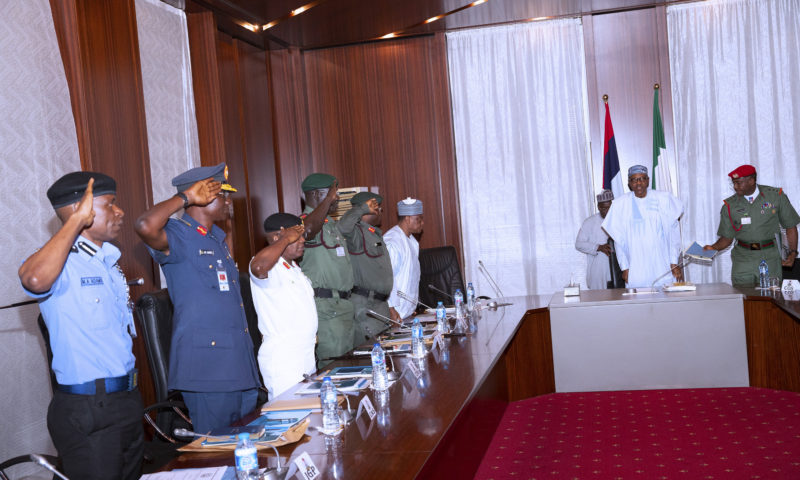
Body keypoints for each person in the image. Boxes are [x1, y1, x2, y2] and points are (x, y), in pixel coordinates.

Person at [19, 172, 143, 480]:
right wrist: (75, 223)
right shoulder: (61, 264)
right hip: (89, 409)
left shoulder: (107, 262)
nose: (120, 212)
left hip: (126, 401)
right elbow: (33, 279)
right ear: (81, 210)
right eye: (110, 204)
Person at [134, 163, 260, 433]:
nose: (229, 201)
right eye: (222, 194)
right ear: (202, 196)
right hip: (210, 372)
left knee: (248, 455)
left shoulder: (216, 238)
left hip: (239, 367)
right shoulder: (179, 235)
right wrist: (185, 197)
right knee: (218, 456)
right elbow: (144, 225)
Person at [249, 213, 317, 399]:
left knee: (308, 419)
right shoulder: (269, 267)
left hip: (306, 355)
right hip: (284, 359)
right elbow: (258, 268)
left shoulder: (294, 268)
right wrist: (286, 238)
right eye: (297, 237)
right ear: (277, 237)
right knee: (288, 419)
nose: (302, 240)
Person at [703, 164, 800, 285]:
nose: (735, 186)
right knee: (744, 298)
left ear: (752, 180)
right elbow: (727, 238)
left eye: (738, 182)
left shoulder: (775, 196)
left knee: (772, 298)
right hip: (743, 259)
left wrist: (793, 253)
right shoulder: (730, 206)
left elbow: (790, 226)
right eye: (733, 183)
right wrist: (714, 248)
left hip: (770, 256)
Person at [298, 173, 355, 367]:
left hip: (345, 307)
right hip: (327, 310)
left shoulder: (330, 224)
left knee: (351, 369)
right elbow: (307, 231)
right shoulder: (304, 222)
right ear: (315, 195)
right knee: (335, 370)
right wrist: (329, 199)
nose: (336, 198)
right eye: (331, 194)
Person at [602, 165, 684, 287]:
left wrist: (674, 262)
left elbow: (674, 235)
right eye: (634, 180)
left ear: (648, 180)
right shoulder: (620, 205)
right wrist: (624, 267)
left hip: (662, 266)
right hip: (636, 269)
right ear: (629, 183)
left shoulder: (663, 199)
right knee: (638, 303)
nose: (638, 183)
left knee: (665, 303)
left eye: (642, 178)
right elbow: (619, 241)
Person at [339, 191, 393, 344]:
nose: (381, 212)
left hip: (380, 305)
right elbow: (342, 228)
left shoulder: (373, 233)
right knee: (370, 355)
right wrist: (361, 209)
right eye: (378, 209)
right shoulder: (356, 233)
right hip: (365, 305)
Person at [385, 197, 424, 321]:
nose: (422, 223)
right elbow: (387, 277)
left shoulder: (411, 240)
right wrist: (391, 309)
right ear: (407, 219)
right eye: (419, 219)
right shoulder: (393, 242)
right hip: (396, 313)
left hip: (407, 313)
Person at [576, 190, 614, 289]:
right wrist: (598, 247)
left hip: (617, 273)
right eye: (604, 208)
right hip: (598, 273)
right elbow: (579, 244)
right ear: (599, 207)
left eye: (609, 207)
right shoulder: (589, 222)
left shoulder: (619, 220)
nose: (607, 211)